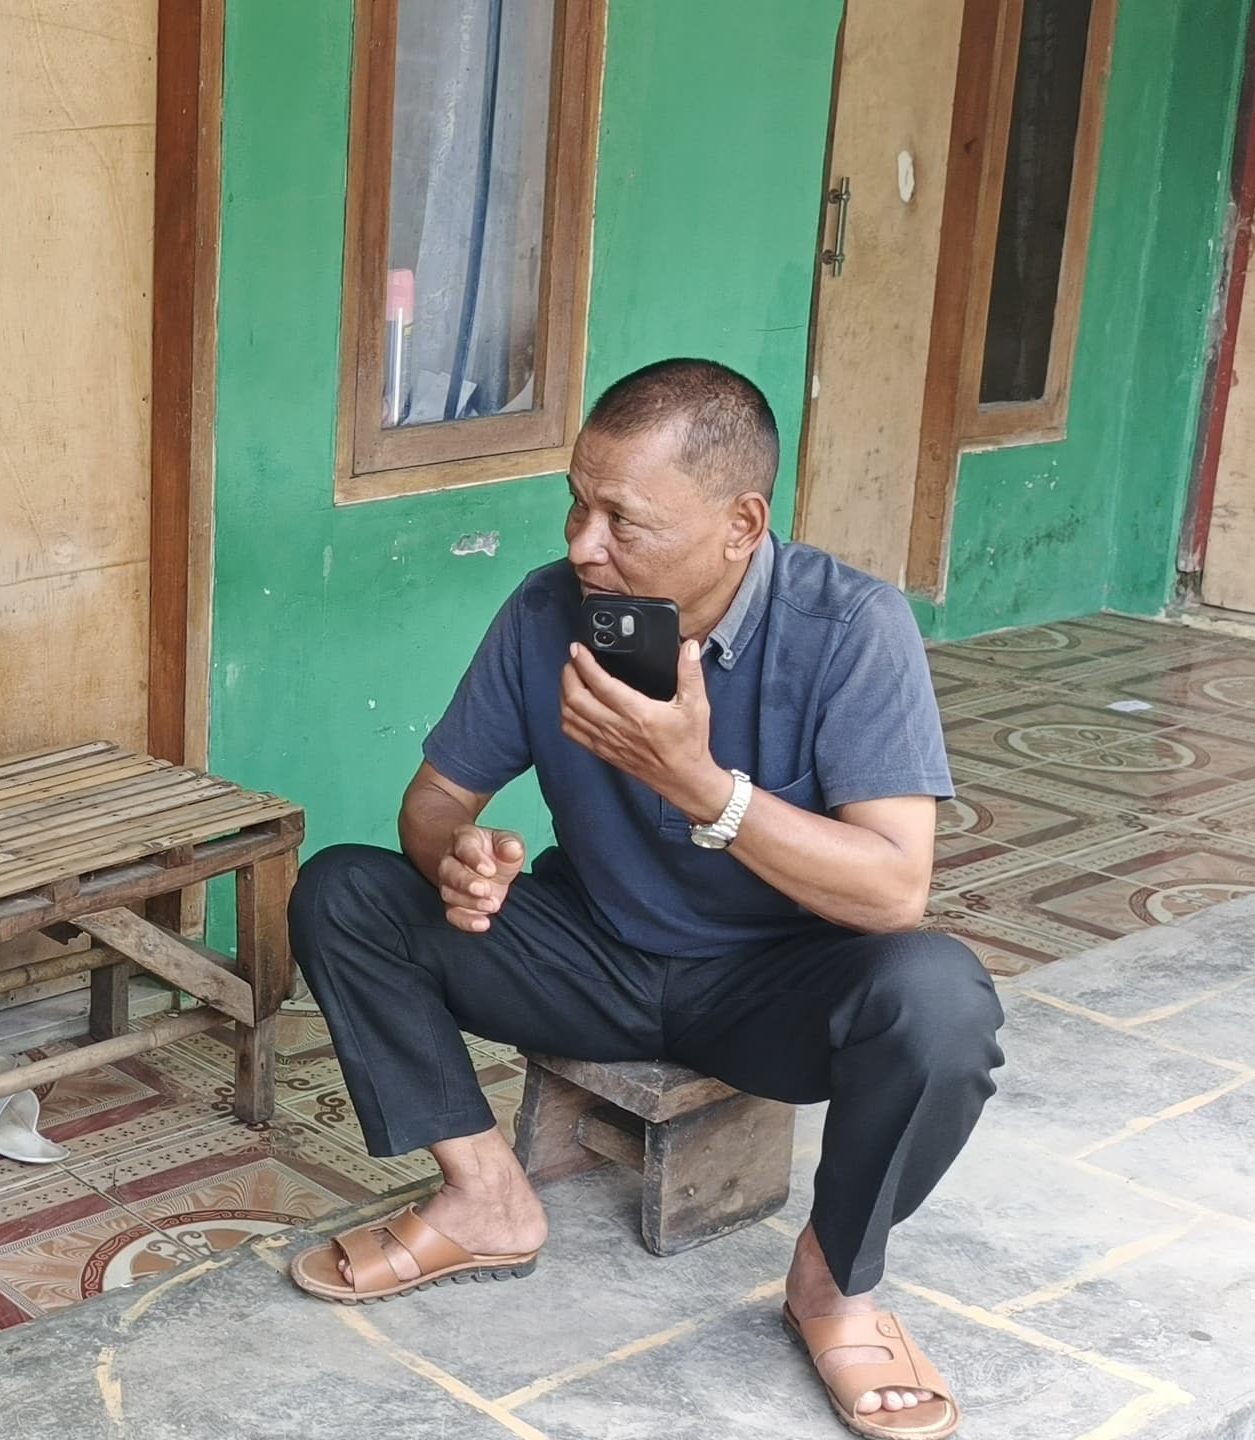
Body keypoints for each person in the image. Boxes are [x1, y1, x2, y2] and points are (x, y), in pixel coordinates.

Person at [285, 359, 1000, 1440]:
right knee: (342, 889)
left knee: (940, 1001)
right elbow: (433, 801)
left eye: (622, 518)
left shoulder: (851, 627)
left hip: (771, 988)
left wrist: (702, 788)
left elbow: (894, 888)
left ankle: (831, 1287)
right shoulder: (549, 609)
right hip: (590, 952)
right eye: (576, 503)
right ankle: (485, 1197)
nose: (584, 543)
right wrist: (457, 857)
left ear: (740, 524)